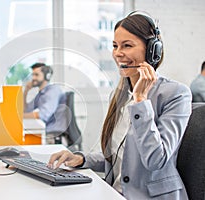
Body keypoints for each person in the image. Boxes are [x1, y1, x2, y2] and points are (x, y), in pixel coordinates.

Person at [48, 12, 192, 199]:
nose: (118, 53)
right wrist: (81, 158)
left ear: (152, 51)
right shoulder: (120, 95)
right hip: (114, 193)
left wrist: (141, 100)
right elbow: (118, 156)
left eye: (127, 46)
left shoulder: (176, 94)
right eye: (115, 46)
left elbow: (156, 160)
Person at [23, 63, 68, 144]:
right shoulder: (41, 94)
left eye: (36, 75)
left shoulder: (53, 91)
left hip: (54, 135)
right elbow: (25, 110)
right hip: (48, 132)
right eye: (32, 74)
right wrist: (26, 90)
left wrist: (19, 116)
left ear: (47, 76)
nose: (33, 78)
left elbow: (42, 115)